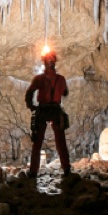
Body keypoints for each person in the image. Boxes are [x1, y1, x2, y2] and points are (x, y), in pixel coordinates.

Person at [24, 47, 71, 177]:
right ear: (55, 63)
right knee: (60, 142)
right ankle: (66, 168)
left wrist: (31, 106)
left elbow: (29, 93)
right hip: (55, 110)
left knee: (37, 142)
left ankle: (33, 171)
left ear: (44, 63)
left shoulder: (39, 79)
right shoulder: (61, 79)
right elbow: (65, 93)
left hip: (43, 110)